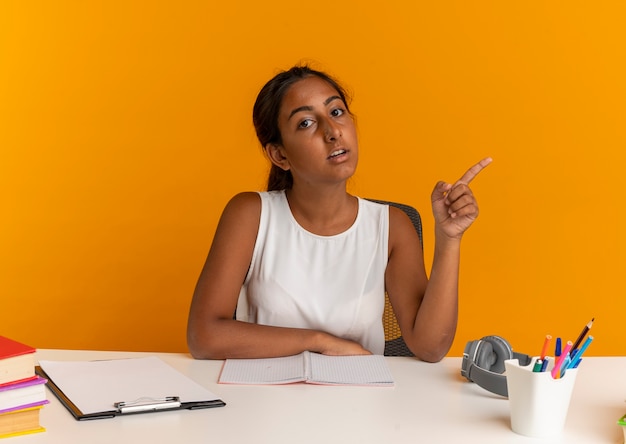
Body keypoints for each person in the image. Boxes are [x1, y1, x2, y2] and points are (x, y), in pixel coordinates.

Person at [187, 65, 491, 362]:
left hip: (359, 403)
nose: (332, 131)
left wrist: (449, 240)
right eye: (306, 123)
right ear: (280, 155)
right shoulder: (250, 215)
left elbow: (429, 347)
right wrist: (319, 342)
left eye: (336, 112)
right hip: (267, 402)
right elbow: (204, 337)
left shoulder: (391, 226)